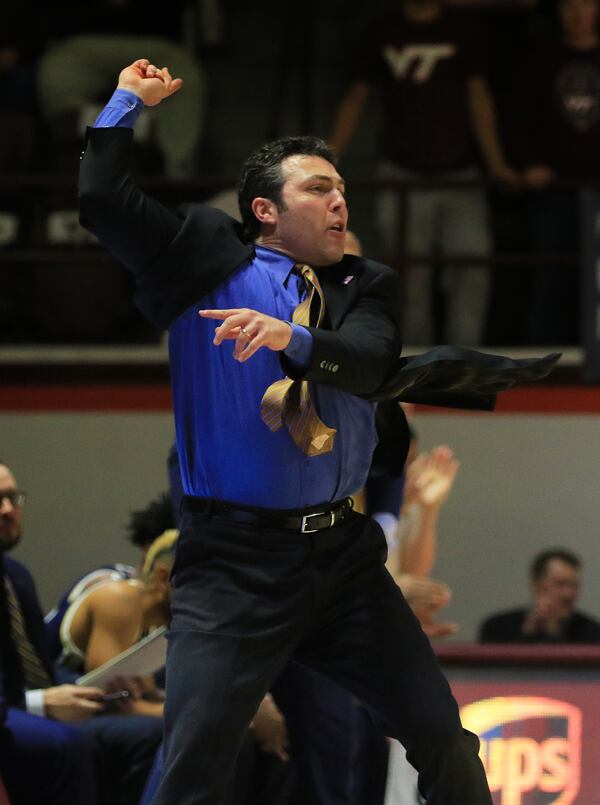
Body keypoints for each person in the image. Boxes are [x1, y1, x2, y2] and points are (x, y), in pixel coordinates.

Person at [78, 58, 558, 805]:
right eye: (320, 189)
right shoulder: (204, 258)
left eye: (344, 190)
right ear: (266, 211)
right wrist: (125, 103)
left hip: (342, 562)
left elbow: (367, 363)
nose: (340, 203)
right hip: (233, 562)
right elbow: (103, 200)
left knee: (445, 737)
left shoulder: (365, 284)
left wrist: (291, 338)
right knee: (193, 760)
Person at [329, 0, 518, 346]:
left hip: (461, 172)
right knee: (409, 275)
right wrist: (328, 160)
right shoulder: (382, 30)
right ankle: (416, 364)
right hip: (402, 171)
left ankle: (464, 361)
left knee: (471, 264)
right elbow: (356, 96)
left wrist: (496, 163)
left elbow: (478, 95)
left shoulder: (464, 28)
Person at [0, 460, 164, 804]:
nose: (8, 510)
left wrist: (74, 690)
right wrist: (42, 704)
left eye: (13, 498)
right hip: (16, 709)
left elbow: (36, 669)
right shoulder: (118, 597)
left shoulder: (16, 576)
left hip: (33, 702)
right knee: (86, 742)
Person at [508, 0, 600, 344]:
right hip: (553, 187)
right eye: (569, 7)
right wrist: (528, 164)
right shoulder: (540, 60)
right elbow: (518, 120)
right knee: (551, 277)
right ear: (559, 13)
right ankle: (545, 360)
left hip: (597, 187)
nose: (577, 15)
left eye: (584, 6)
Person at [479, 547, 600, 643]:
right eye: (559, 584)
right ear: (536, 585)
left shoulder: (593, 632)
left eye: (574, 585)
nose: (568, 594)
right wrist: (528, 633)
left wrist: (553, 632)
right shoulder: (497, 628)